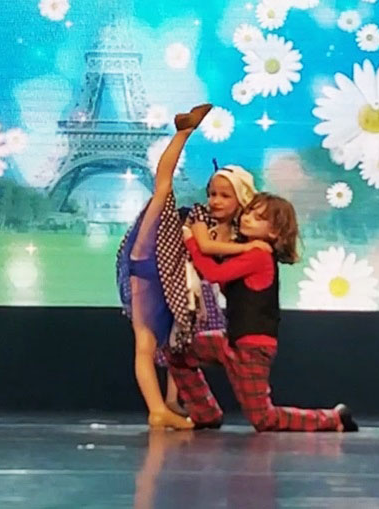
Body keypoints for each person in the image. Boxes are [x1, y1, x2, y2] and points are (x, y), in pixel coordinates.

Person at [116, 105, 258, 429]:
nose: (215, 200)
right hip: (156, 263)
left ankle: (169, 403)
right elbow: (204, 247)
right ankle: (183, 132)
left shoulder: (239, 232)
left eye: (224, 196)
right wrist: (247, 248)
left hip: (176, 285)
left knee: (176, 344)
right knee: (163, 190)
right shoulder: (200, 216)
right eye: (212, 194)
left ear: (241, 200)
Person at [171, 193, 358, 432]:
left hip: (252, 348)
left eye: (258, 218)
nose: (247, 218)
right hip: (232, 340)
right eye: (248, 212)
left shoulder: (259, 255)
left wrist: (191, 242)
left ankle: (333, 418)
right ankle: (205, 413)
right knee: (178, 353)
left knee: (262, 418)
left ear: (274, 233)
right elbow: (227, 283)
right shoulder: (248, 252)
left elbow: (214, 274)